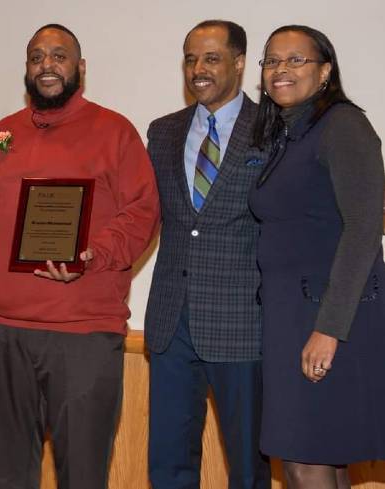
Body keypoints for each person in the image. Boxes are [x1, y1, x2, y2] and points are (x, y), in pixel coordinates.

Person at [0, 23, 158, 489]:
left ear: (80, 68)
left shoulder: (115, 131)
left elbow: (143, 211)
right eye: (37, 57)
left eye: (59, 56)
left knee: (81, 472)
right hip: (7, 329)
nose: (47, 66)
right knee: (11, 472)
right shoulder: (4, 134)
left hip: (83, 333)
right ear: (27, 68)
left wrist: (90, 256)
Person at [250, 25, 385, 488]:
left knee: (306, 459)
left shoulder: (344, 125)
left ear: (325, 71)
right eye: (271, 61)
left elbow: (365, 230)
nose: (280, 70)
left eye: (295, 60)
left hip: (326, 317)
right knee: (310, 457)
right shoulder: (292, 134)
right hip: (290, 316)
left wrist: (329, 329)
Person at [144, 20, 271, 489]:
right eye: (191, 58)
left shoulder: (273, 129)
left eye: (211, 58)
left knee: (247, 465)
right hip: (170, 323)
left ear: (239, 63)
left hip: (244, 323)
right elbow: (142, 212)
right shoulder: (162, 132)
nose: (198, 69)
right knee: (168, 463)